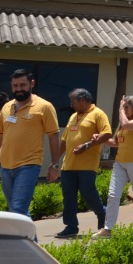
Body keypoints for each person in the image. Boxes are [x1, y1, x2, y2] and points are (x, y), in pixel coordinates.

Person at [0, 69, 61, 218]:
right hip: (7, 167)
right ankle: (31, 241)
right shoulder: (7, 108)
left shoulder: (44, 107)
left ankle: (21, 241)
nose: (19, 89)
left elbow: (53, 136)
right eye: (15, 85)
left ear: (32, 83)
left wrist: (55, 165)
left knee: (17, 210)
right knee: (18, 213)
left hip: (28, 166)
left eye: (22, 85)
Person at [95, 96, 133, 238]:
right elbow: (116, 142)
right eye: (124, 107)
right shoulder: (124, 125)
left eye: (127, 107)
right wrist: (100, 139)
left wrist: (120, 109)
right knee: (113, 195)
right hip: (120, 164)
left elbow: (127, 124)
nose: (124, 110)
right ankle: (107, 229)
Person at [56, 88, 112, 238]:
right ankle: (71, 226)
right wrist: (55, 161)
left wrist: (87, 145)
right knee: (68, 196)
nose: (71, 105)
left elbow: (107, 133)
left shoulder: (98, 114)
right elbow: (64, 140)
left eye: (73, 101)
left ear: (82, 100)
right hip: (68, 165)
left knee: (88, 192)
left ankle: (102, 214)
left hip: (87, 165)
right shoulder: (73, 116)